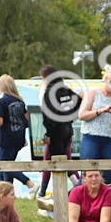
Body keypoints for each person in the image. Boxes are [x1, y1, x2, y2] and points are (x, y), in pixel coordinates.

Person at [0, 74, 38, 196]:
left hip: (6, 139)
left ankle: (29, 183)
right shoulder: (20, 102)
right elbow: (28, 119)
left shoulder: (1, 102)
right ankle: (7, 194)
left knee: (5, 165)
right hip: (19, 139)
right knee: (7, 166)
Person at [38, 65, 80, 198]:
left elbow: (49, 115)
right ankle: (43, 191)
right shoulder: (66, 90)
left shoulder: (49, 92)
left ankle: (77, 186)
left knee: (58, 162)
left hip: (56, 131)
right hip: (68, 129)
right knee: (63, 159)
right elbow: (79, 101)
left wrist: (47, 134)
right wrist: (72, 116)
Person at [77, 66, 111, 177]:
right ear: (105, 79)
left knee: (106, 175)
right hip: (91, 137)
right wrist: (99, 111)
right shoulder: (93, 93)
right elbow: (82, 115)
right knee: (88, 172)